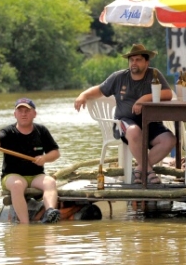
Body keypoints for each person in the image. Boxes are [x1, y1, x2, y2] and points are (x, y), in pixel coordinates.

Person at [74, 44, 176, 184]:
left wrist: (143, 99)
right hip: (124, 122)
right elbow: (99, 90)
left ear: (147, 62)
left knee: (169, 140)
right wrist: (83, 95)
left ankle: (139, 169)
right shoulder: (119, 77)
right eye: (131, 60)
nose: (134, 63)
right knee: (134, 131)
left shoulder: (154, 74)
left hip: (150, 123)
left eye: (138, 59)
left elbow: (168, 94)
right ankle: (149, 172)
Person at [0, 98, 61, 224]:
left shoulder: (41, 131)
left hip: (36, 175)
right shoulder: (8, 132)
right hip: (12, 176)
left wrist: (44, 158)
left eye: (27, 111)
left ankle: (50, 212)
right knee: (17, 185)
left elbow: (55, 153)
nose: (23, 114)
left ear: (34, 114)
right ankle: (25, 224)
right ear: (15, 114)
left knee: (50, 182)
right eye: (20, 111)